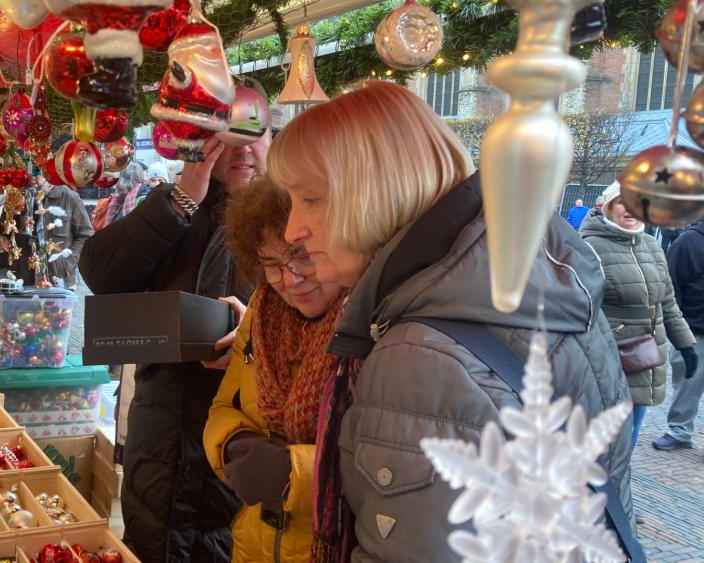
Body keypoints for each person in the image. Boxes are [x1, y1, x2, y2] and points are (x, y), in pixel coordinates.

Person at [267, 81, 634, 562]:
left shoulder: (419, 355)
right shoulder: (528, 282)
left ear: (376, 190)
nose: (294, 229)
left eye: (310, 199)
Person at [79, 126, 270, 562]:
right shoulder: (177, 206)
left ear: (273, 139)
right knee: (152, 540)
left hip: (245, 434)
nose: (241, 149)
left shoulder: (295, 217)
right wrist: (183, 197)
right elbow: (100, 272)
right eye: (225, 137)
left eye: (254, 133)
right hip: (162, 430)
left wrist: (255, 339)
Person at [203, 179, 344, 562]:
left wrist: (292, 472)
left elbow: (390, 462)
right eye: (272, 265)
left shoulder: (369, 327)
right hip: (257, 543)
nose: (289, 279)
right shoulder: (261, 315)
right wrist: (232, 445)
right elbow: (222, 408)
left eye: (303, 257)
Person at [580, 183, 697, 445]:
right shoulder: (590, 247)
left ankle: (618, 483)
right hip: (611, 356)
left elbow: (666, 301)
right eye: (623, 202)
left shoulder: (652, 246)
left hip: (646, 356)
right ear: (609, 207)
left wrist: (686, 344)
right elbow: (581, 308)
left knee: (632, 429)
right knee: (604, 437)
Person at [653, 220, 704, 450]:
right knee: (687, 382)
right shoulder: (688, 242)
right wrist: (679, 327)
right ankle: (680, 431)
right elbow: (671, 287)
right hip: (694, 328)